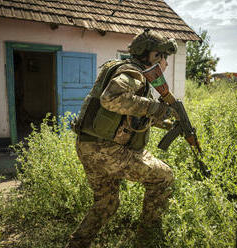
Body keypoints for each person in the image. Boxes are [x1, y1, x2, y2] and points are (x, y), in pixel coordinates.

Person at [67, 29, 178, 248]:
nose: (166, 64)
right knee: (164, 177)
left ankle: (76, 245)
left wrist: (164, 122)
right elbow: (111, 99)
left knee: (107, 203)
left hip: (89, 146)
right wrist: (157, 108)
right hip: (108, 151)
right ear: (155, 56)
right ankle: (147, 239)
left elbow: (128, 111)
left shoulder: (122, 68)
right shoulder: (133, 73)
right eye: (164, 57)